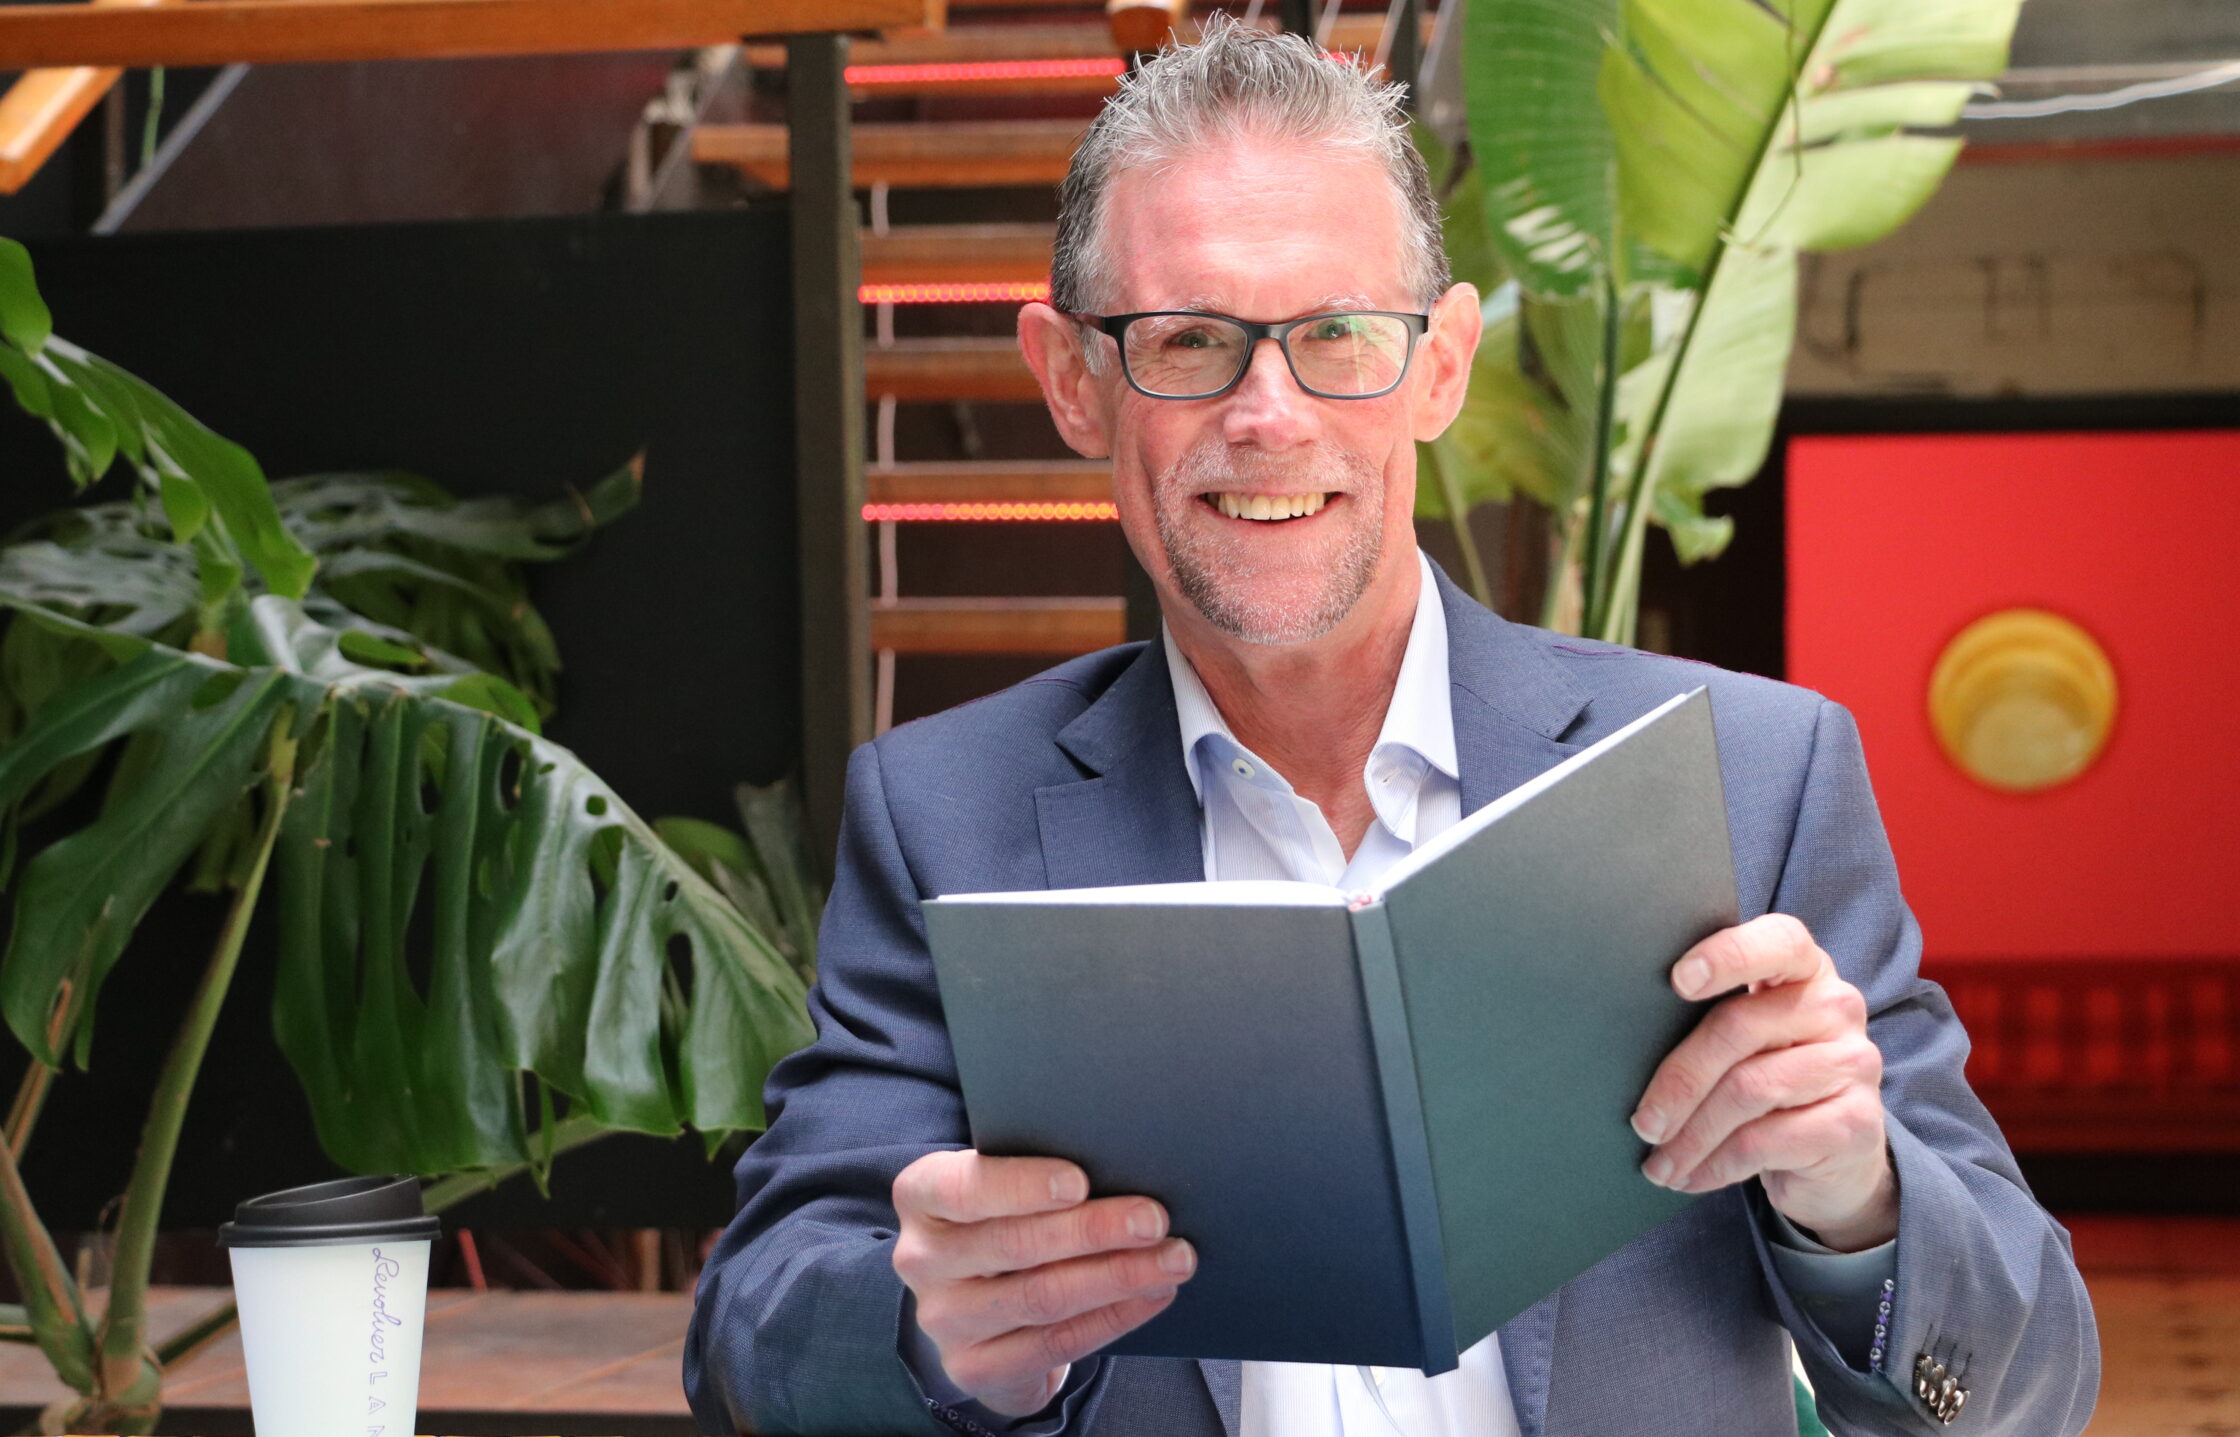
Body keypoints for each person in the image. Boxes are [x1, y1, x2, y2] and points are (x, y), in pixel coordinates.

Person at [685, 18, 2100, 1435]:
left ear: (1441, 365)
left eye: (1336, 336)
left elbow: (2029, 1385)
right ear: (1072, 380)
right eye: (1189, 341)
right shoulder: (943, 814)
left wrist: (1854, 1191)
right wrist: (936, 1339)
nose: (1269, 415)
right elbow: (757, 1341)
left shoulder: (1754, 774)